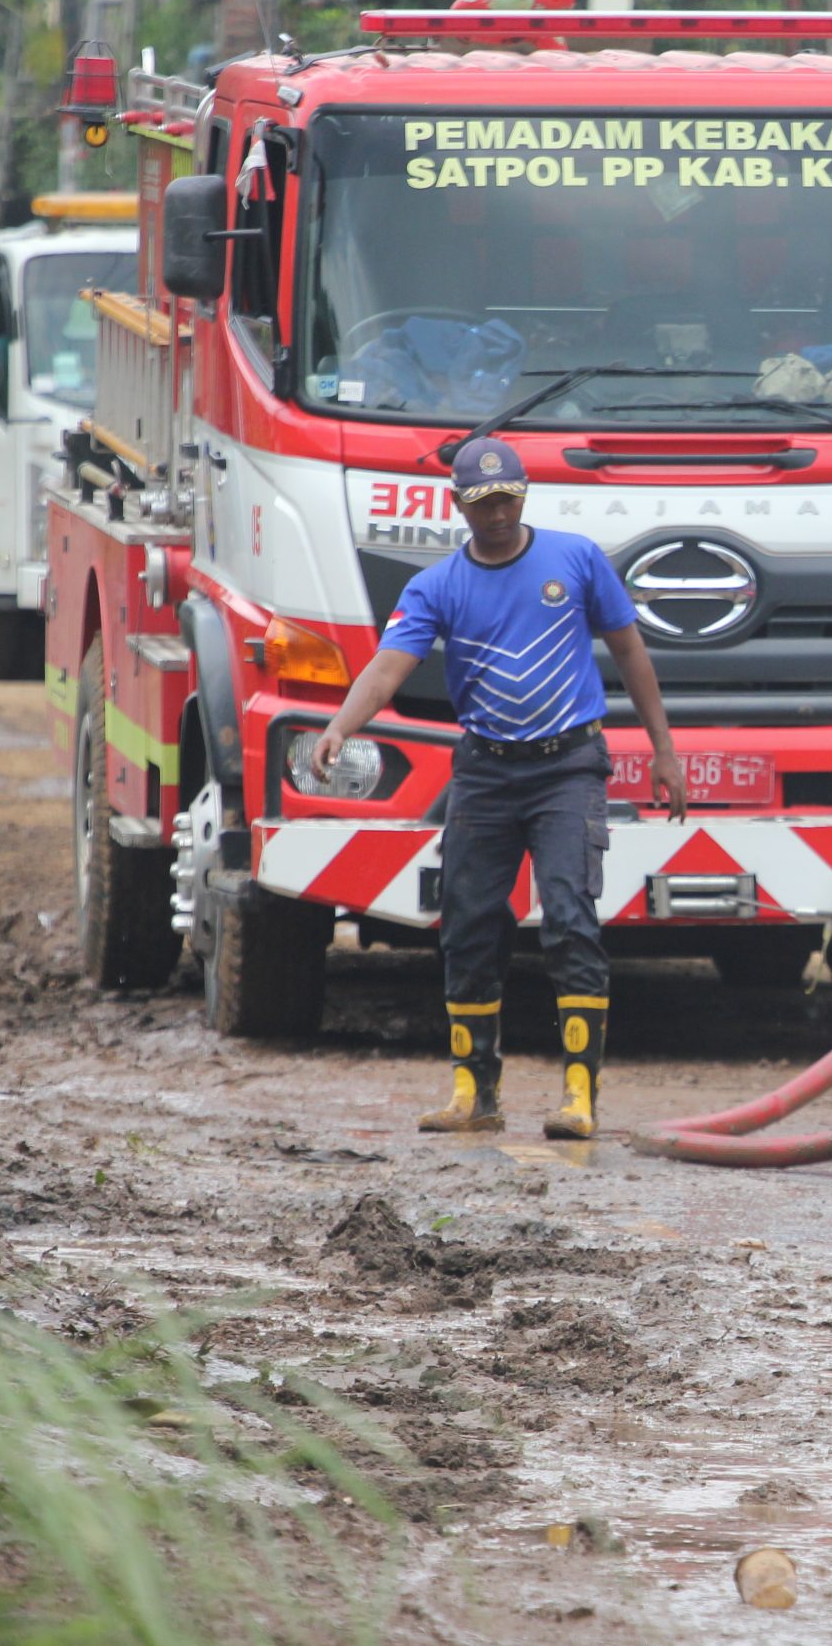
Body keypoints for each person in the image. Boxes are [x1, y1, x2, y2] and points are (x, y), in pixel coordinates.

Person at [313, 438, 688, 1139]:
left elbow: (631, 651)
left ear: (525, 494)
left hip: (568, 768)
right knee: (467, 925)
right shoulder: (437, 586)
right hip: (485, 772)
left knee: (571, 918)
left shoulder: (575, 559)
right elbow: (388, 668)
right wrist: (341, 726)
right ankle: (475, 1093)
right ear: (459, 505)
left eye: (508, 498)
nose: (497, 512)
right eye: (482, 502)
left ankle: (579, 1095)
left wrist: (663, 750)